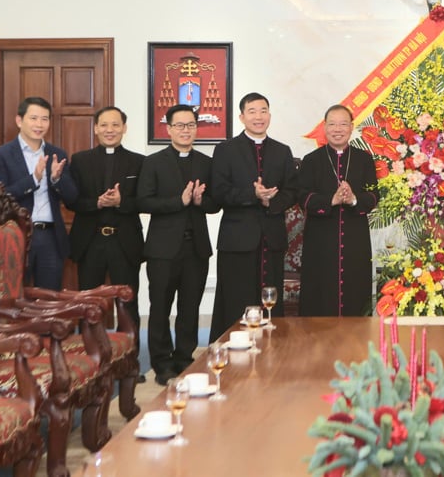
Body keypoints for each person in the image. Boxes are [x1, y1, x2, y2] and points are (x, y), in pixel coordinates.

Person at [136, 105, 219, 386]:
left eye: (191, 125)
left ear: (197, 128)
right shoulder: (153, 162)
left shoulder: (206, 164)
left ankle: (184, 357)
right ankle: (161, 363)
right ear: (168, 129)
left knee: (189, 307)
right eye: (180, 125)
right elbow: (143, 201)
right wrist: (178, 202)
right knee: (160, 306)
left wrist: (199, 201)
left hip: (195, 248)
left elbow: (214, 204)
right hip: (162, 250)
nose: (186, 130)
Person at [209, 93, 298, 341]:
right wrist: (252, 193)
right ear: (241, 117)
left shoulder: (282, 151)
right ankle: (232, 350)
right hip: (237, 239)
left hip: (272, 238)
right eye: (252, 111)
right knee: (236, 299)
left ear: (269, 115)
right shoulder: (225, 150)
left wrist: (271, 200)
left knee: (270, 299)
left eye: (263, 110)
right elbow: (218, 192)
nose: (258, 116)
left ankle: (273, 352)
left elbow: (292, 191)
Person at [68, 106, 145, 379]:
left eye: (115, 125)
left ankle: (131, 362)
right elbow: (72, 200)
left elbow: (144, 200)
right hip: (91, 242)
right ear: (96, 128)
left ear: (124, 128)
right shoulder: (79, 160)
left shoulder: (138, 161)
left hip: (124, 242)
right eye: (104, 125)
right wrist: (96, 203)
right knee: (89, 305)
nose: (110, 130)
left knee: (128, 303)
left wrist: (122, 202)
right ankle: (90, 364)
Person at [297, 105, 379, 316]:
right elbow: (302, 197)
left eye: (343, 124)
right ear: (324, 128)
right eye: (332, 124)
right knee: (320, 295)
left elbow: (373, 196)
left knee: (355, 291)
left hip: (355, 239)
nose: (337, 129)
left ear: (352, 128)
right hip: (321, 240)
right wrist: (330, 200)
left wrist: (353, 199)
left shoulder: (364, 159)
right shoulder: (311, 160)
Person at [0, 96, 78, 290]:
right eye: (34, 118)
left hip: (50, 237)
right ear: (19, 121)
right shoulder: (1, 155)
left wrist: (57, 179)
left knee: (50, 300)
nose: (39, 124)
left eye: (45, 119)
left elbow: (72, 198)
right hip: (15, 235)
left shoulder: (57, 154)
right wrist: (33, 179)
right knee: (14, 298)